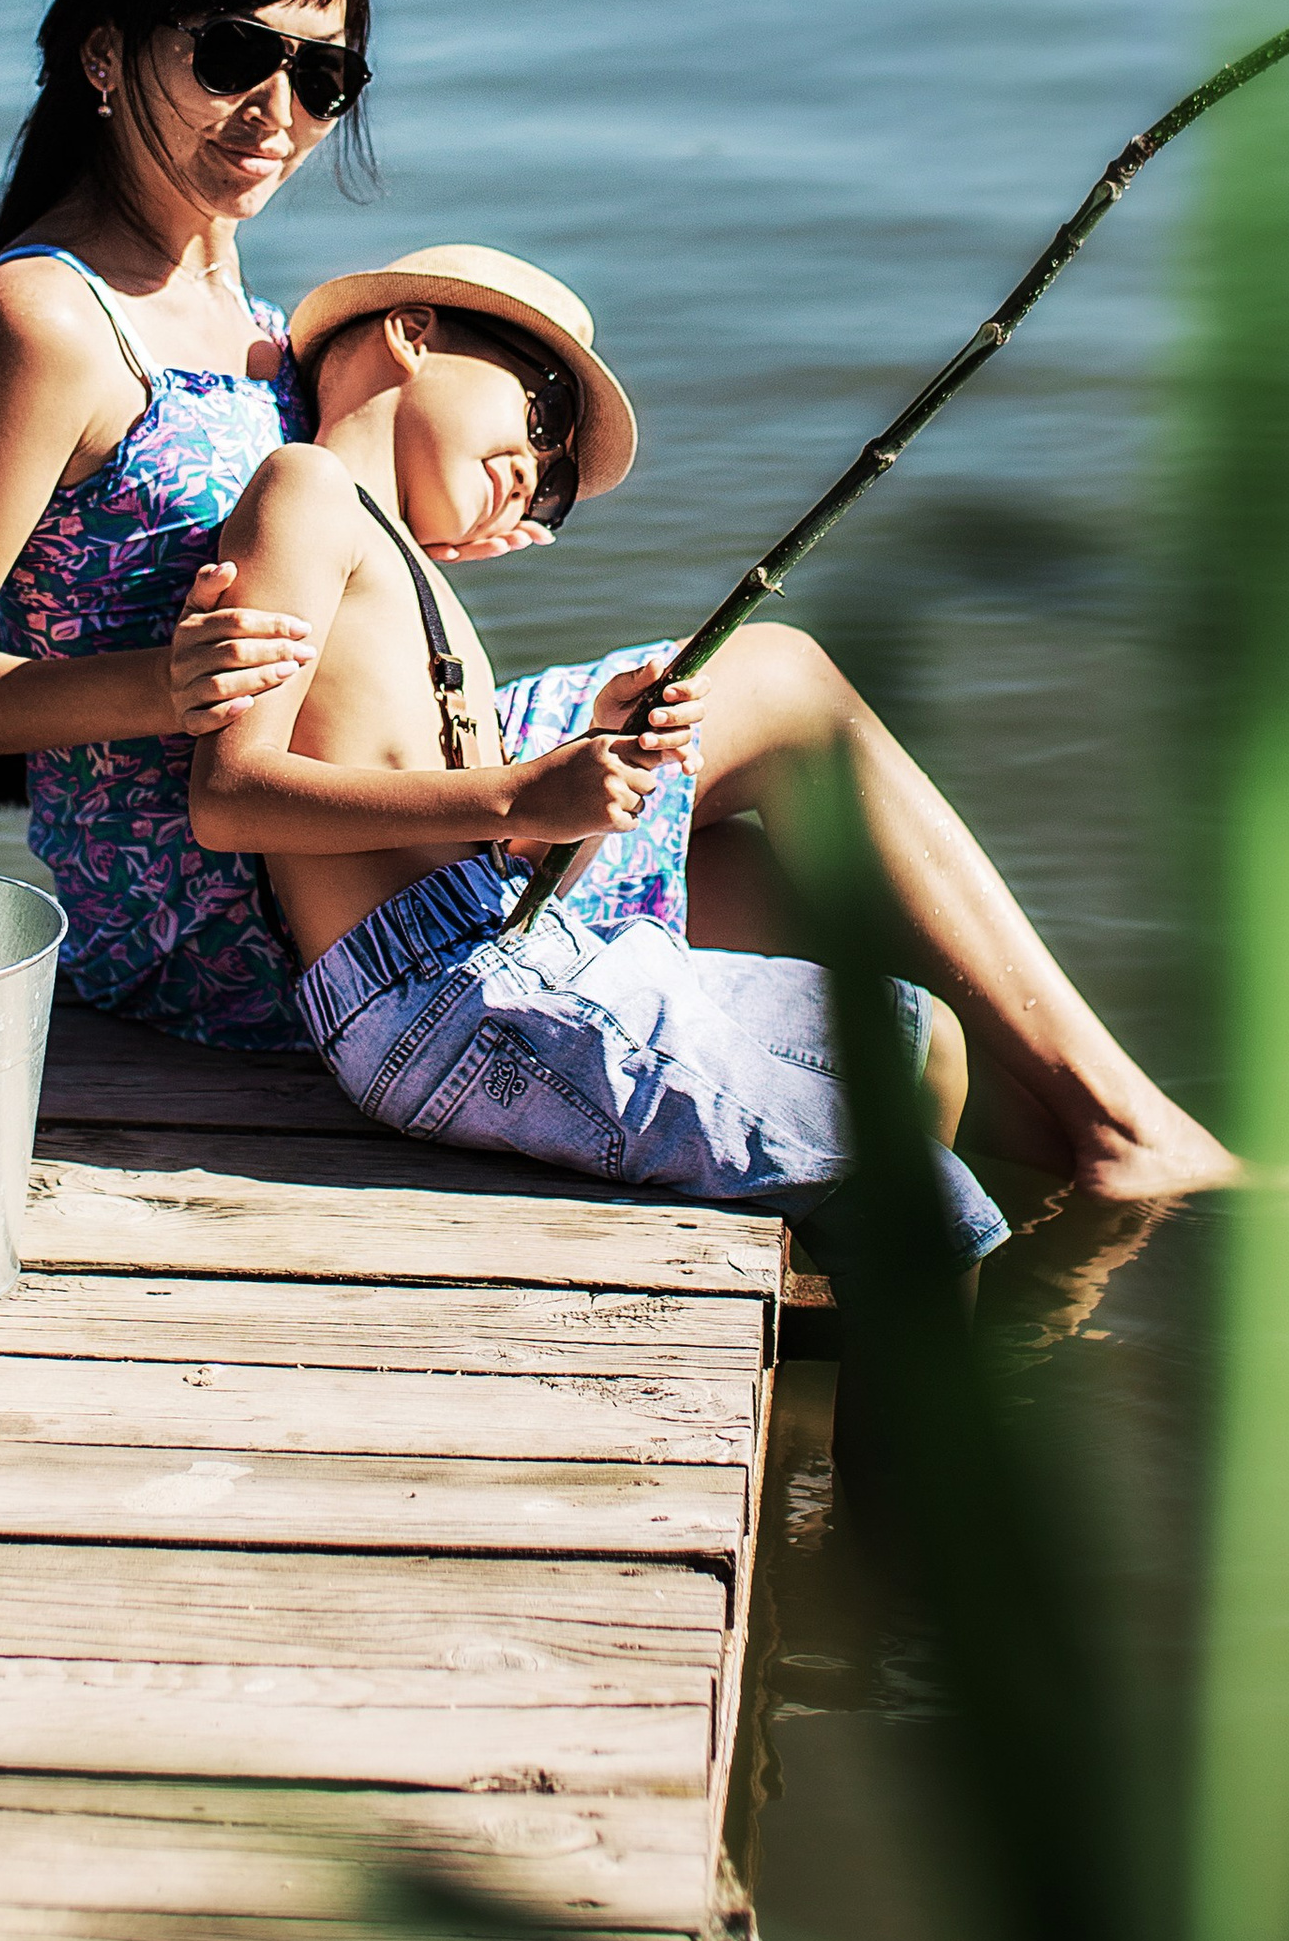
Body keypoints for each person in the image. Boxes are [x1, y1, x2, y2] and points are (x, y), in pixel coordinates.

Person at [0, 0, 1228, 1198]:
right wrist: (160, 686)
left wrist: (415, 565)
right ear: (102, 55)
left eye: (323, 78)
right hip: (211, 911)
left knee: (769, 858)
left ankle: (1093, 1165)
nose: (278, 110)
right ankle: (1127, 1151)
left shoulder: (258, 324)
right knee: (785, 697)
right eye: (230, 57)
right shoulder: (44, 323)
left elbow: (284, 569)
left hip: (341, 833)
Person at [185, 244, 1006, 1254]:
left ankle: (850, 1360)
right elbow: (227, 799)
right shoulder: (304, 489)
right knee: (921, 1192)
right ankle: (930, 1384)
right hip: (427, 1000)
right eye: (536, 422)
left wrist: (603, 761)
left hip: (511, 956)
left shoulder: (414, 584)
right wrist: (514, 798)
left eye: (556, 487)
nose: (534, 482)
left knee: (923, 1044)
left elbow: (501, 867)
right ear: (411, 333)